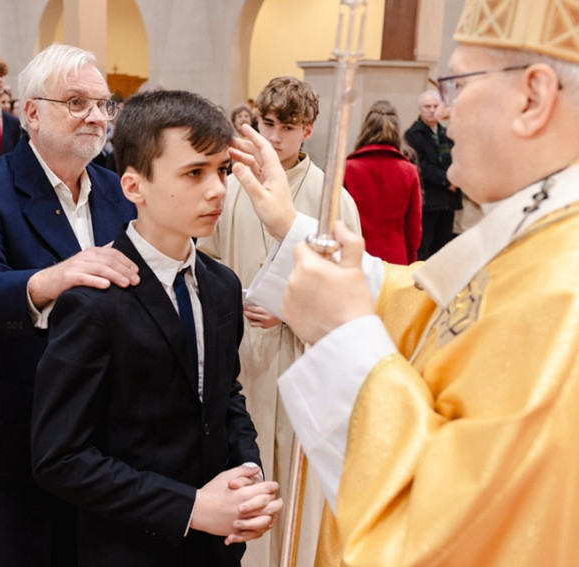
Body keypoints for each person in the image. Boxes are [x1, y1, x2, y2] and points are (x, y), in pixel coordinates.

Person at [231, 0, 579, 563]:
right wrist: (291, 227)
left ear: (532, 98)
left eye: (456, 85)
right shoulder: (539, 231)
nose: (445, 114)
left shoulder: (564, 292)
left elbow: (450, 532)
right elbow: (426, 306)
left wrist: (343, 334)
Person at [31, 89, 282, 566]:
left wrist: (247, 472)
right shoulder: (93, 301)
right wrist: (190, 508)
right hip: (132, 546)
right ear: (134, 187)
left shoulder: (222, 285)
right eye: (194, 173)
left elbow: (224, 394)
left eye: (222, 170)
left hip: (216, 546)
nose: (217, 190)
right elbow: (60, 457)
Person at [0, 43, 138, 567]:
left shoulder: (117, 189)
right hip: (27, 427)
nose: (96, 116)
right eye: (76, 102)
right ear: (31, 112)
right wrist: (52, 278)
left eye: (103, 104)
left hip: (114, 429)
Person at [197, 75, 360, 567]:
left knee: (294, 476)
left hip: (301, 356)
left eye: (288, 127)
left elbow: (350, 287)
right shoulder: (233, 185)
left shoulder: (331, 196)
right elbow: (207, 258)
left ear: (307, 129)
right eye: (268, 123)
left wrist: (287, 310)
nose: (275, 136)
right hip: (239, 351)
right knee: (243, 469)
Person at [344, 100, 422, 264]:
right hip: (395, 256)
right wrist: (409, 260)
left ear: (366, 129)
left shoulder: (347, 168)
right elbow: (413, 227)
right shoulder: (408, 171)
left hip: (355, 256)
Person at [405, 89, 461, 259]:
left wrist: (456, 178)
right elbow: (420, 166)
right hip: (428, 200)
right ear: (420, 109)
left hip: (448, 200)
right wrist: (447, 180)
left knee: (443, 250)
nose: (431, 110)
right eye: (427, 106)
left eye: (435, 106)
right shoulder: (413, 135)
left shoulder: (447, 133)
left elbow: (457, 158)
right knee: (424, 249)